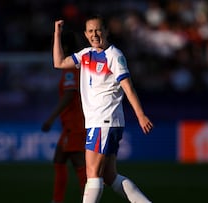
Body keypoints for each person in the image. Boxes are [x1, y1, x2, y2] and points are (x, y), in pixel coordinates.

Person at [52, 14, 154, 203]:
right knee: (109, 176)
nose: (95, 34)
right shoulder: (86, 54)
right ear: (85, 34)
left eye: (98, 29)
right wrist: (57, 34)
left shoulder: (114, 55)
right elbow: (59, 63)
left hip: (104, 120)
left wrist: (141, 115)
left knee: (92, 174)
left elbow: (128, 87)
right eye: (90, 31)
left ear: (106, 31)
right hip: (101, 122)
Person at [42, 31, 87, 203]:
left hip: (74, 124)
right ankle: (57, 200)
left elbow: (69, 95)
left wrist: (51, 118)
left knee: (78, 163)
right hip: (71, 124)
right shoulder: (73, 66)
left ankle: (88, 199)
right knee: (59, 159)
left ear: (65, 48)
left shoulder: (69, 67)